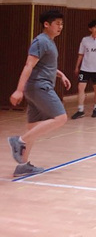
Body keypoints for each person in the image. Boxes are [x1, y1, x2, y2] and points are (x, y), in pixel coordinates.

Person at [7, 10, 71, 177]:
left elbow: (45, 65)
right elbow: (29, 65)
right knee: (61, 117)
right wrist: (19, 90)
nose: (60, 27)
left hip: (37, 87)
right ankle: (19, 141)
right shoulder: (41, 41)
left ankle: (23, 165)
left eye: (62, 24)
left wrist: (61, 75)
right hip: (39, 87)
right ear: (46, 24)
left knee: (33, 127)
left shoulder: (49, 42)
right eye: (57, 23)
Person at [71, 20, 96, 119]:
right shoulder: (85, 40)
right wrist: (77, 67)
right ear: (90, 29)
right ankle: (80, 110)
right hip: (85, 68)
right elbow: (81, 54)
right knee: (80, 87)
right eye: (95, 27)